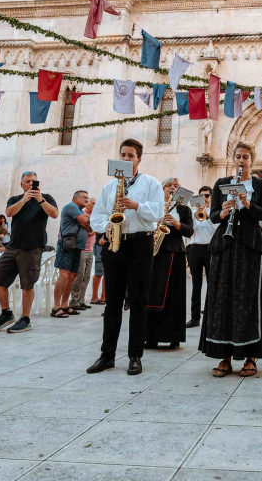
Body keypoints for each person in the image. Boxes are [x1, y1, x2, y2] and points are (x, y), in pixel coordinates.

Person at [87, 139, 164, 376]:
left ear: (139, 159)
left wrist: (136, 205)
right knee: (113, 303)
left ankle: (135, 356)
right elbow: (96, 217)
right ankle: (107, 355)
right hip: (114, 244)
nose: (127, 158)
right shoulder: (109, 187)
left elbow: (158, 212)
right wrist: (108, 225)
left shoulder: (151, 183)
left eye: (131, 155)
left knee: (139, 301)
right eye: (123, 154)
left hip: (140, 242)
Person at [201, 142, 262, 379]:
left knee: (249, 300)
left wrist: (246, 204)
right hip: (225, 245)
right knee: (222, 299)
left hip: (250, 246)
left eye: (245, 157)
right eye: (238, 156)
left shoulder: (260, 184)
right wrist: (224, 211)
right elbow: (213, 216)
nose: (241, 160)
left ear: (251, 160)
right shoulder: (221, 184)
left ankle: (250, 356)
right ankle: (223, 356)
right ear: (233, 159)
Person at [0, 172, 58, 334]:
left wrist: (40, 199)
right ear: (22, 184)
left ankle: (25, 319)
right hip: (13, 247)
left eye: (33, 181)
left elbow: (54, 214)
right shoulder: (15, 199)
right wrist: (24, 199)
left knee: (27, 284)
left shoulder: (46, 197)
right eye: (27, 181)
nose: (31, 184)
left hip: (32, 247)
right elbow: (9, 213)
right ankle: (6, 314)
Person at [145, 177, 193, 349]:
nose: (172, 188)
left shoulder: (183, 209)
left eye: (176, 186)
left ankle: (174, 336)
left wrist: (177, 224)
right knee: (153, 294)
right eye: (169, 186)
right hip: (155, 254)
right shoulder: (154, 205)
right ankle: (151, 337)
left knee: (175, 295)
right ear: (162, 188)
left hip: (176, 254)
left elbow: (189, 231)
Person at [54, 190, 90, 318]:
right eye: (84, 197)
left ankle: (65, 305)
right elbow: (85, 221)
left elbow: (90, 228)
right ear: (75, 198)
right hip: (66, 246)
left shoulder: (80, 211)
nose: (87, 200)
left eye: (88, 197)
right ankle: (56, 307)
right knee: (64, 276)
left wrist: (86, 221)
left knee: (72, 276)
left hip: (77, 247)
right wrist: (86, 221)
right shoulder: (71, 207)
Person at [186, 185, 215, 328]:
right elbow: (190, 232)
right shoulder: (193, 213)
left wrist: (207, 216)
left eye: (207, 195)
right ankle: (195, 317)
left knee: (212, 283)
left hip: (210, 248)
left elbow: (216, 231)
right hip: (195, 248)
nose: (204, 198)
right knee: (196, 284)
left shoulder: (214, 212)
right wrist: (198, 216)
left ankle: (211, 316)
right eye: (202, 195)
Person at [69, 197, 96, 311]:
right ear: (88, 204)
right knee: (79, 278)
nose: (95, 206)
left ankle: (81, 300)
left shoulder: (94, 216)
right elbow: (89, 231)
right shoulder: (83, 215)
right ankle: (74, 302)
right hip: (82, 251)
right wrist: (97, 229)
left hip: (90, 251)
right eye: (93, 203)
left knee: (86, 277)